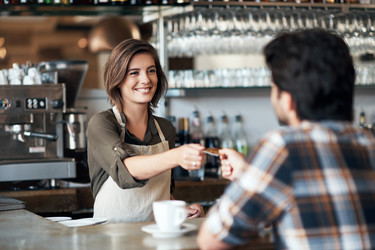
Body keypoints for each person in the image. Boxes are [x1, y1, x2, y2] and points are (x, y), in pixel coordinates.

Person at [197, 29, 375, 249]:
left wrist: (248, 176)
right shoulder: (367, 143)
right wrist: (248, 172)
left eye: (273, 87)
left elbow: (212, 239)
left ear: (288, 100)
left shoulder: (283, 147)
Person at [86, 38, 205, 223]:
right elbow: (125, 170)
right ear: (117, 79)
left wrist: (183, 209)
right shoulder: (101, 123)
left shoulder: (165, 129)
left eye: (151, 71)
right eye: (134, 73)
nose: (146, 80)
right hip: (111, 239)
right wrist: (177, 156)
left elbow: (159, 194)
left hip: (157, 237)